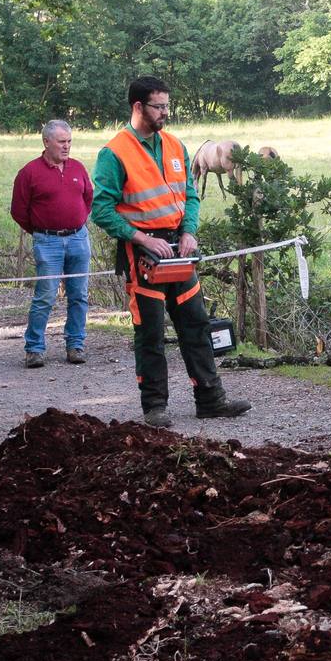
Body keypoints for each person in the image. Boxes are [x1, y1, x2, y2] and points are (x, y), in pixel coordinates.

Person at [91, 76, 250, 428]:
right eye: (158, 107)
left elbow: (190, 195)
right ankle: (155, 408)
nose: (165, 113)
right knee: (150, 332)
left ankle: (211, 400)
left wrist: (189, 231)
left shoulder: (176, 146)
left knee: (196, 324)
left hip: (179, 250)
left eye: (167, 106)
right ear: (138, 107)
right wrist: (142, 238)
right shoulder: (114, 153)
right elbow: (101, 209)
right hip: (143, 253)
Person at [11, 120, 94, 368]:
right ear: (46, 142)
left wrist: (76, 222)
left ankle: (75, 345)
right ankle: (34, 349)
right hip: (47, 241)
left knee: (79, 294)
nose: (66, 146)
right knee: (45, 295)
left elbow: (88, 198)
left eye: (69, 141)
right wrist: (41, 231)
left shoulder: (78, 168)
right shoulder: (29, 173)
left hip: (79, 239)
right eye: (61, 142)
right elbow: (18, 211)